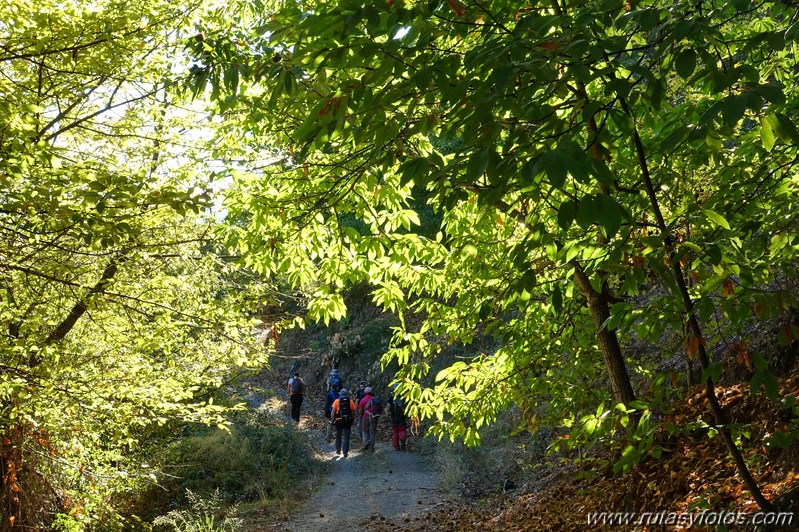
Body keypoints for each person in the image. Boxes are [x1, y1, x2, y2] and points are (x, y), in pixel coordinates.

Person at [330, 388, 357, 457]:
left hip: (339, 420)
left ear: (340, 394)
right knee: (346, 436)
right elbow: (353, 411)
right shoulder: (350, 401)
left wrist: (332, 420)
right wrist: (353, 418)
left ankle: (338, 450)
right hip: (347, 420)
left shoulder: (337, 401)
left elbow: (333, 412)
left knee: (338, 435)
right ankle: (345, 452)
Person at [358, 386, 382, 452]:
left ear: (365, 393)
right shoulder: (375, 399)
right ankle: (371, 447)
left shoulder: (363, 400)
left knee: (365, 430)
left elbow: (360, 410)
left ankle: (366, 443)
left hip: (366, 417)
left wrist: (361, 415)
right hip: (374, 417)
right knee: (373, 432)